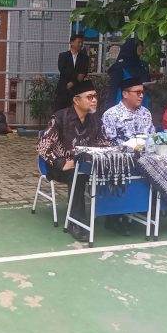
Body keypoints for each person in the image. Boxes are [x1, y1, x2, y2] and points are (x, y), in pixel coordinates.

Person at [38, 80, 109, 242]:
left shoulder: (95, 120)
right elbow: (42, 146)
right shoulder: (59, 118)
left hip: (87, 164)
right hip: (59, 167)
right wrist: (60, 162)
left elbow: (105, 143)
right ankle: (75, 223)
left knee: (113, 168)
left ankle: (115, 217)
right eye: (89, 97)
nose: (94, 100)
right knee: (78, 175)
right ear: (76, 100)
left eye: (95, 96)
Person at [102, 77, 155, 144]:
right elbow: (107, 143)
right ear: (125, 94)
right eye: (138, 92)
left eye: (142, 92)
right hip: (121, 150)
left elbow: (152, 137)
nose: (141, 96)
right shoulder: (111, 115)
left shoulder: (146, 113)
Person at [105, 38, 151, 110]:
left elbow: (147, 82)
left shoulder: (143, 65)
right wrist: (110, 107)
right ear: (131, 47)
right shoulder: (119, 66)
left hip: (142, 102)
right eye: (138, 45)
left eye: (141, 45)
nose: (141, 47)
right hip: (124, 104)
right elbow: (113, 89)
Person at [55, 34, 90, 110]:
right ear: (72, 42)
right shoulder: (63, 56)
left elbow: (83, 73)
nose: (80, 44)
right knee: (61, 111)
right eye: (79, 42)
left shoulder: (84, 58)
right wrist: (75, 75)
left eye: (82, 42)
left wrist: (73, 82)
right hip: (63, 88)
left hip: (78, 89)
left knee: (76, 111)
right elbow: (62, 70)